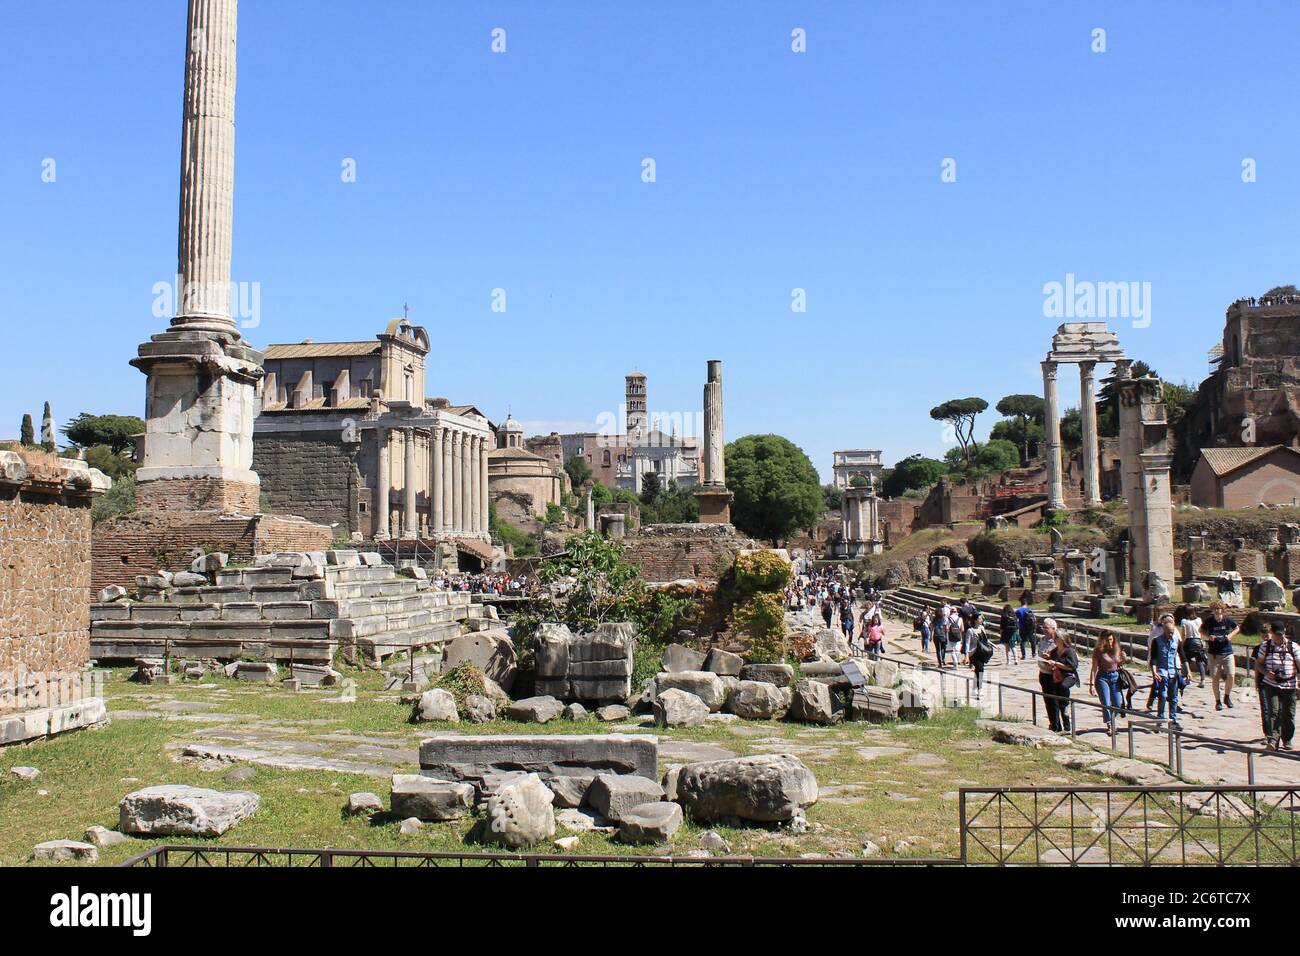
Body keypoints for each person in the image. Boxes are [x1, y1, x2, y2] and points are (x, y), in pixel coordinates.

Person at [1254, 622, 1300, 751]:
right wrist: (1266, 673)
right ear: (1272, 634)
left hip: (1290, 685)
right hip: (1272, 684)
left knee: (1288, 714)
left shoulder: (1293, 646)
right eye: (1277, 635)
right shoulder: (1265, 646)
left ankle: (1287, 739)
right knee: (1273, 712)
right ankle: (1273, 740)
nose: (1280, 637)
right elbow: (1259, 664)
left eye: (1282, 634)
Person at [1039, 619, 1078, 733]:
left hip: (1058, 677)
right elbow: (1052, 658)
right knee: (1049, 701)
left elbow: (1072, 665)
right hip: (1045, 674)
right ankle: (1055, 725)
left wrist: (1055, 663)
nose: (1044, 630)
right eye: (1043, 627)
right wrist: (1047, 659)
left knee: (1059, 702)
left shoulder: (1066, 649)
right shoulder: (1045, 642)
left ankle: (1065, 726)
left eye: (1046, 628)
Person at [1149, 613, 1185, 731]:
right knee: (1163, 696)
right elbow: (1153, 658)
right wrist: (1155, 672)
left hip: (1173, 671)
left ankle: (1173, 720)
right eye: (1169, 632)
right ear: (1164, 630)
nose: (1171, 635)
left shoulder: (1176, 639)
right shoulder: (1157, 640)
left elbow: (1182, 655)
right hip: (1162, 671)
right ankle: (1160, 720)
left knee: (1173, 697)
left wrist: (1187, 670)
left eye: (1172, 632)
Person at [1204, 602, 1240, 711]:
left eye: (1219, 608)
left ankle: (1227, 696)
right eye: (1215, 609)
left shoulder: (1227, 620)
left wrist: (1230, 636)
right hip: (1214, 653)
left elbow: (1237, 628)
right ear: (1212, 610)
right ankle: (1217, 701)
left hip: (1227, 651)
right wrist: (1208, 636)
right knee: (1215, 677)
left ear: (1222, 609)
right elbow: (1201, 630)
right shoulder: (1209, 621)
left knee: (1231, 675)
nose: (1217, 610)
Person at [1089, 633, 1128, 732]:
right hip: (1102, 677)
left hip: (1115, 677)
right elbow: (1094, 669)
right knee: (1106, 702)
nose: (1110, 642)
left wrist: (1123, 659)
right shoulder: (1099, 651)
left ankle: (1112, 719)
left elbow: (1117, 663)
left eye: (1111, 639)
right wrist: (1091, 684)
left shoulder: (1116, 649)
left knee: (1118, 703)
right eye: (1108, 640)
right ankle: (1110, 723)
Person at [1177, 605, 1207, 688]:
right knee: (1199, 661)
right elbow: (1201, 631)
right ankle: (1203, 680)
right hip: (1198, 641)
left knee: (1186, 660)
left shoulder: (1184, 621)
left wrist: (1182, 644)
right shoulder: (1199, 620)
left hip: (1189, 642)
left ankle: (1187, 678)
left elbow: (1184, 634)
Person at [968, 613, 993, 697]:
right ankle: (979, 689)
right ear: (975, 620)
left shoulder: (982, 628)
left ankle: (974, 689)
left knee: (978, 671)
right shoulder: (970, 630)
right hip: (973, 653)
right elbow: (967, 643)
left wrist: (994, 645)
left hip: (981, 652)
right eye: (980, 619)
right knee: (980, 669)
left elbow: (985, 640)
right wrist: (966, 656)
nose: (981, 620)